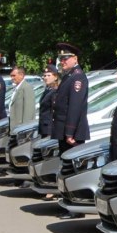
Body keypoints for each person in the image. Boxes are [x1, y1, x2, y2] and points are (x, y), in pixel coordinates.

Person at [51, 43, 89, 218]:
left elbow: (74, 107)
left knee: (73, 171)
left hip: (71, 134)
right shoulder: (68, 76)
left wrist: (70, 132)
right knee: (66, 170)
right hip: (64, 131)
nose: (63, 61)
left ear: (75, 59)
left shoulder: (78, 78)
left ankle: (75, 208)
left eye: (66, 58)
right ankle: (68, 204)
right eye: (61, 59)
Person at [8, 66, 35, 132]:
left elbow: (28, 111)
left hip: (21, 128)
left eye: (14, 75)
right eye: (11, 76)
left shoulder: (26, 88)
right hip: (15, 127)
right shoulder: (17, 87)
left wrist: (25, 129)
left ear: (21, 75)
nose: (12, 78)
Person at [37, 64, 59, 139]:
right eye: (45, 75)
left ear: (55, 77)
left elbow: (54, 111)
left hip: (49, 128)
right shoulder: (48, 90)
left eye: (49, 75)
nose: (46, 78)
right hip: (44, 127)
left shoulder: (55, 91)